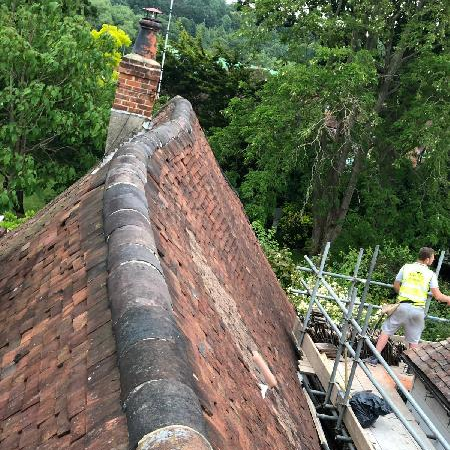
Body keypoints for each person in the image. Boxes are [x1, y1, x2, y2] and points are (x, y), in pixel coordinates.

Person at [366, 247, 450, 366]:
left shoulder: (406, 267)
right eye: (432, 258)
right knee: (414, 340)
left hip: (402, 305)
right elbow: (437, 296)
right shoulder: (431, 274)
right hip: (418, 309)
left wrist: (404, 295)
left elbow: (396, 285)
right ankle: (411, 367)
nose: (433, 259)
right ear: (427, 260)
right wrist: (448, 299)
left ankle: (375, 357)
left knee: (386, 330)